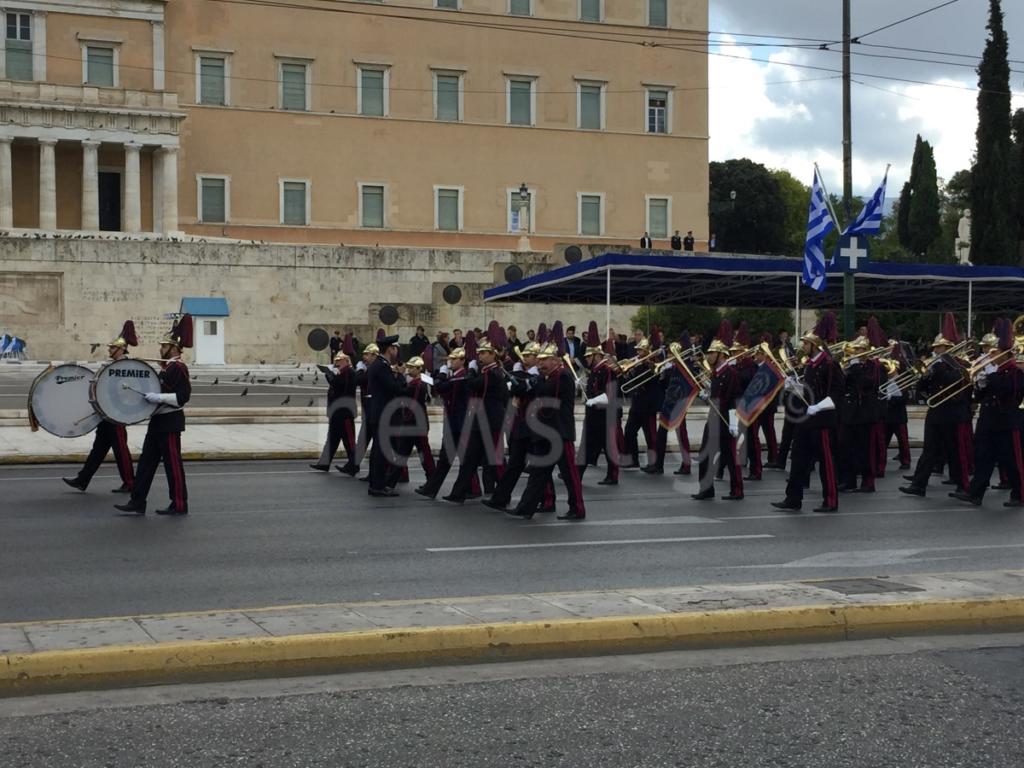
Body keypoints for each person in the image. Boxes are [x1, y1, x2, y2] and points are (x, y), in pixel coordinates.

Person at [114, 314, 193, 516]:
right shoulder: (166, 368)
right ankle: (137, 501)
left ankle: (179, 504)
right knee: (145, 464)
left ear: (174, 349)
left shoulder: (179, 367)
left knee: (173, 466)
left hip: (170, 422)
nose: (161, 349)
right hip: (157, 422)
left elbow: (183, 397)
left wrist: (158, 397)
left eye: (164, 346)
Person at [771, 314, 843, 513]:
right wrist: (795, 387)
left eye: (805, 343)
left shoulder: (829, 364)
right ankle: (793, 498)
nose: (802, 346)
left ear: (815, 345)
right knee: (798, 458)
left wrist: (818, 406)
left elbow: (836, 393)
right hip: (806, 419)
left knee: (826, 463)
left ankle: (831, 501)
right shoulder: (811, 365)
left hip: (822, 421)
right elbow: (810, 390)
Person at [507, 343, 586, 521]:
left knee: (569, 475)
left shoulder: (563, 376)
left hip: (560, 432)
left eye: (544, 360)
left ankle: (578, 508)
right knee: (537, 473)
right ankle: (526, 508)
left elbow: (547, 393)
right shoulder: (546, 377)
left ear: (555, 360)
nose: (540, 364)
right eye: (540, 360)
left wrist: (534, 382)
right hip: (544, 433)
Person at [63, 321, 137, 494]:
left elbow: (127, 391)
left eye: (112, 348)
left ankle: (130, 483)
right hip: (105, 414)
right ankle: (83, 479)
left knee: (121, 450)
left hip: (116, 414)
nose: (109, 351)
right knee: (98, 449)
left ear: (121, 349)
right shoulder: (111, 366)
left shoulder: (127, 367)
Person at [692, 331, 743, 501]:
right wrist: (706, 396)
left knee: (729, 457)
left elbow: (734, 400)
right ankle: (706, 489)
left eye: (712, 353)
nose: (709, 356)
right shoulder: (716, 374)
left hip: (727, 421)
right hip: (713, 419)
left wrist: (734, 423)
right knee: (704, 454)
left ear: (721, 355)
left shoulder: (730, 373)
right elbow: (717, 399)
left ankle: (737, 490)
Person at [577, 332, 623, 485]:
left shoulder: (607, 369)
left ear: (597, 355)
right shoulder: (596, 369)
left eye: (589, 356)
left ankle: (613, 475)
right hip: (594, 415)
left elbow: (610, 393)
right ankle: (577, 474)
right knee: (586, 446)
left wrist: (594, 400)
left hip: (605, 415)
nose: (586, 359)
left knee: (609, 446)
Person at [366, 335, 408, 497]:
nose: (396, 352)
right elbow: (394, 389)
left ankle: (376, 484)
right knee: (382, 452)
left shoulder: (380, 365)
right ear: (390, 349)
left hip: (380, 413)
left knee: (379, 450)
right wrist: (402, 376)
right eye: (395, 348)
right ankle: (377, 486)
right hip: (384, 414)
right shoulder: (382, 366)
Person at [385, 356, 435, 488]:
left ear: (419, 369)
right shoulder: (416, 383)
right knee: (405, 453)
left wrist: (399, 376)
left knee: (423, 455)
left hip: (415, 424)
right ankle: (391, 483)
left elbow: (402, 392)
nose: (409, 370)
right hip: (412, 423)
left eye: (412, 368)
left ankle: (432, 481)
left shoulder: (418, 384)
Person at [310, 347, 358, 475]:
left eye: (340, 360)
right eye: (336, 360)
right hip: (337, 413)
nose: (337, 363)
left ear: (346, 361)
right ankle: (324, 463)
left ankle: (354, 465)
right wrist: (330, 375)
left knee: (349, 442)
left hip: (344, 413)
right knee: (332, 439)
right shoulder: (342, 373)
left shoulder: (349, 372)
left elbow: (342, 387)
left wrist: (331, 376)